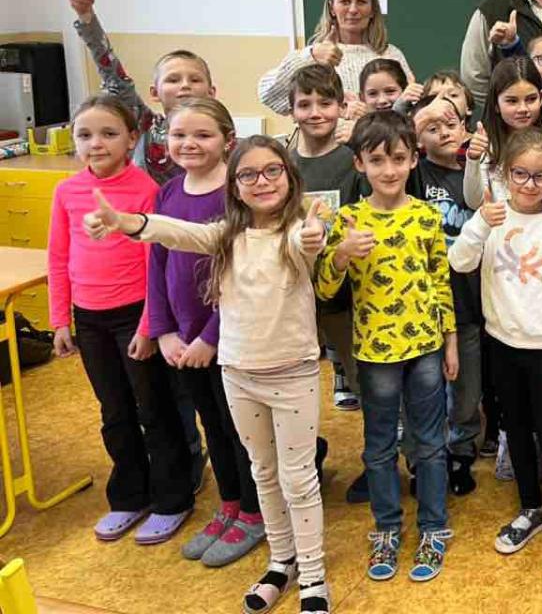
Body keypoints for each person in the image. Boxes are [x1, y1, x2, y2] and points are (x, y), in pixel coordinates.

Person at [85, 137, 332, 613]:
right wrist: (126, 222)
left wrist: (313, 233)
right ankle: (281, 561)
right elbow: (176, 232)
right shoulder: (225, 237)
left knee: (298, 479)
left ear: (289, 176)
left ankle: (314, 575)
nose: (262, 181)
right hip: (238, 375)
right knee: (263, 472)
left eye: (273, 170)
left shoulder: (296, 232)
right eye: (248, 174)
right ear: (234, 187)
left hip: (293, 375)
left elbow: (308, 242)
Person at [317, 111, 457, 584]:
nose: (389, 169)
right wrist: (340, 255)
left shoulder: (426, 216)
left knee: (430, 443)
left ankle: (433, 526)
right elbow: (324, 287)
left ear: (413, 159)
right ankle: (387, 528)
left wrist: (450, 342)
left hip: (425, 348)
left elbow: (440, 282)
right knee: (378, 448)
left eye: (398, 158)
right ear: (359, 164)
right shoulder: (348, 220)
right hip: (375, 353)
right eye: (377, 160)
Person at [48, 95, 194, 545]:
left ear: (132, 138)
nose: (96, 143)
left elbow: (157, 263)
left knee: (154, 408)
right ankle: (130, 495)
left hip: (136, 316)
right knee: (113, 411)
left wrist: (150, 325)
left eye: (109, 134)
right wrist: (60, 320)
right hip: (89, 318)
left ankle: (172, 498)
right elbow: (58, 256)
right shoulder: (66, 192)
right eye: (85, 135)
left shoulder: (145, 189)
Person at [448, 126, 542, 578]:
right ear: (506, 174)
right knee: (517, 431)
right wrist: (478, 224)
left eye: (541, 176)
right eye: (521, 175)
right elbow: (459, 262)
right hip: (502, 346)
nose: (530, 184)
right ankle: (531, 508)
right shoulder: (490, 218)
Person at [153, 98, 266, 567]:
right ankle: (230, 503)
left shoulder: (237, 196)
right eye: (179, 135)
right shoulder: (168, 192)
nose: (189, 144)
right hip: (183, 341)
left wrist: (209, 338)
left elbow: (244, 275)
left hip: (227, 339)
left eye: (203, 135)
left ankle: (256, 512)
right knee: (212, 426)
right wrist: (164, 331)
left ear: (227, 141)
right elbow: (157, 262)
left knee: (241, 430)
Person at [286, 65, 363, 504]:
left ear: (341, 105)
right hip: (294, 295)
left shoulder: (352, 158)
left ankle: (378, 462)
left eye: (325, 103)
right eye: (304, 104)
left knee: (363, 379)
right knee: (296, 385)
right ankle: (305, 458)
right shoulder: (283, 160)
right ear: (291, 110)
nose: (315, 112)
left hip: (346, 296)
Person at [68, 0, 216, 184]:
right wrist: (86, 17)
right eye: (173, 80)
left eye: (195, 80)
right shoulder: (145, 125)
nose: (185, 85)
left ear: (211, 92)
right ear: (155, 92)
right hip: (145, 205)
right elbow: (113, 76)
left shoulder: (221, 133)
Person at [409, 95, 483, 496]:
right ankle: (423, 457)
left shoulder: (476, 172)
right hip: (423, 306)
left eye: (450, 124)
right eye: (431, 128)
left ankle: (461, 450)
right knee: (423, 389)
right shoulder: (415, 174)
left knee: (466, 389)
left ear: (465, 127)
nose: (443, 133)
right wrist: (417, 120)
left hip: (468, 302)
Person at [258, 0, 412, 116]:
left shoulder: (391, 54)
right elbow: (269, 96)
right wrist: (311, 56)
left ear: (372, 9)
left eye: (361, 2)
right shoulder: (317, 55)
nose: (353, 9)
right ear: (332, 8)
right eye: (345, 1)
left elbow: (408, 111)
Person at [462, 57, 542, 210]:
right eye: (512, 101)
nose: (523, 109)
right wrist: (473, 158)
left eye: (531, 99)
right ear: (496, 104)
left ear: (541, 98)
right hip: (497, 224)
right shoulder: (485, 147)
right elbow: (475, 203)